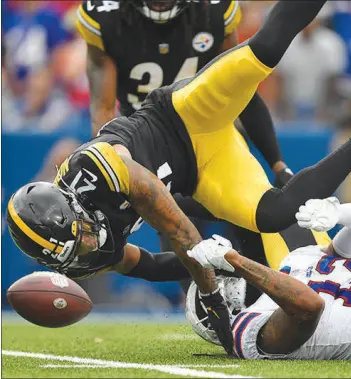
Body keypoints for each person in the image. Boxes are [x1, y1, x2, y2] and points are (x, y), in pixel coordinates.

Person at [6, 0, 351, 353]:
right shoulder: (88, 250)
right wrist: (216, 275)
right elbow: (148, 264)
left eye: (76, 238)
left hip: (183, 116)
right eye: (72, 252)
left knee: (263, 49)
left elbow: (165, 211)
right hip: (202, 171)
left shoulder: (90, 169)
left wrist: (210, 291)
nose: (83, 246)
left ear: (71, 210)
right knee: (273, 214)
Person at [76, 0, 297, 269]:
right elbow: (103, 106)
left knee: (253, 218)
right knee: (181, 238)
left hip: (211, 134)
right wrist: (113, 165)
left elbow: (241, 87)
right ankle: (204, 297)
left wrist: (277, 162)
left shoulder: (215, 11)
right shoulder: (106, 17)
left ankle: (258, 294)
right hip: (150, 142)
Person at [186, 196, 351, 361]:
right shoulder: (248, 331)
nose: (222, 275)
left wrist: (337, 212)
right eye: (216, 278)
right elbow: (308, 306)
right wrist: (236, 261)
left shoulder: (296, 260)